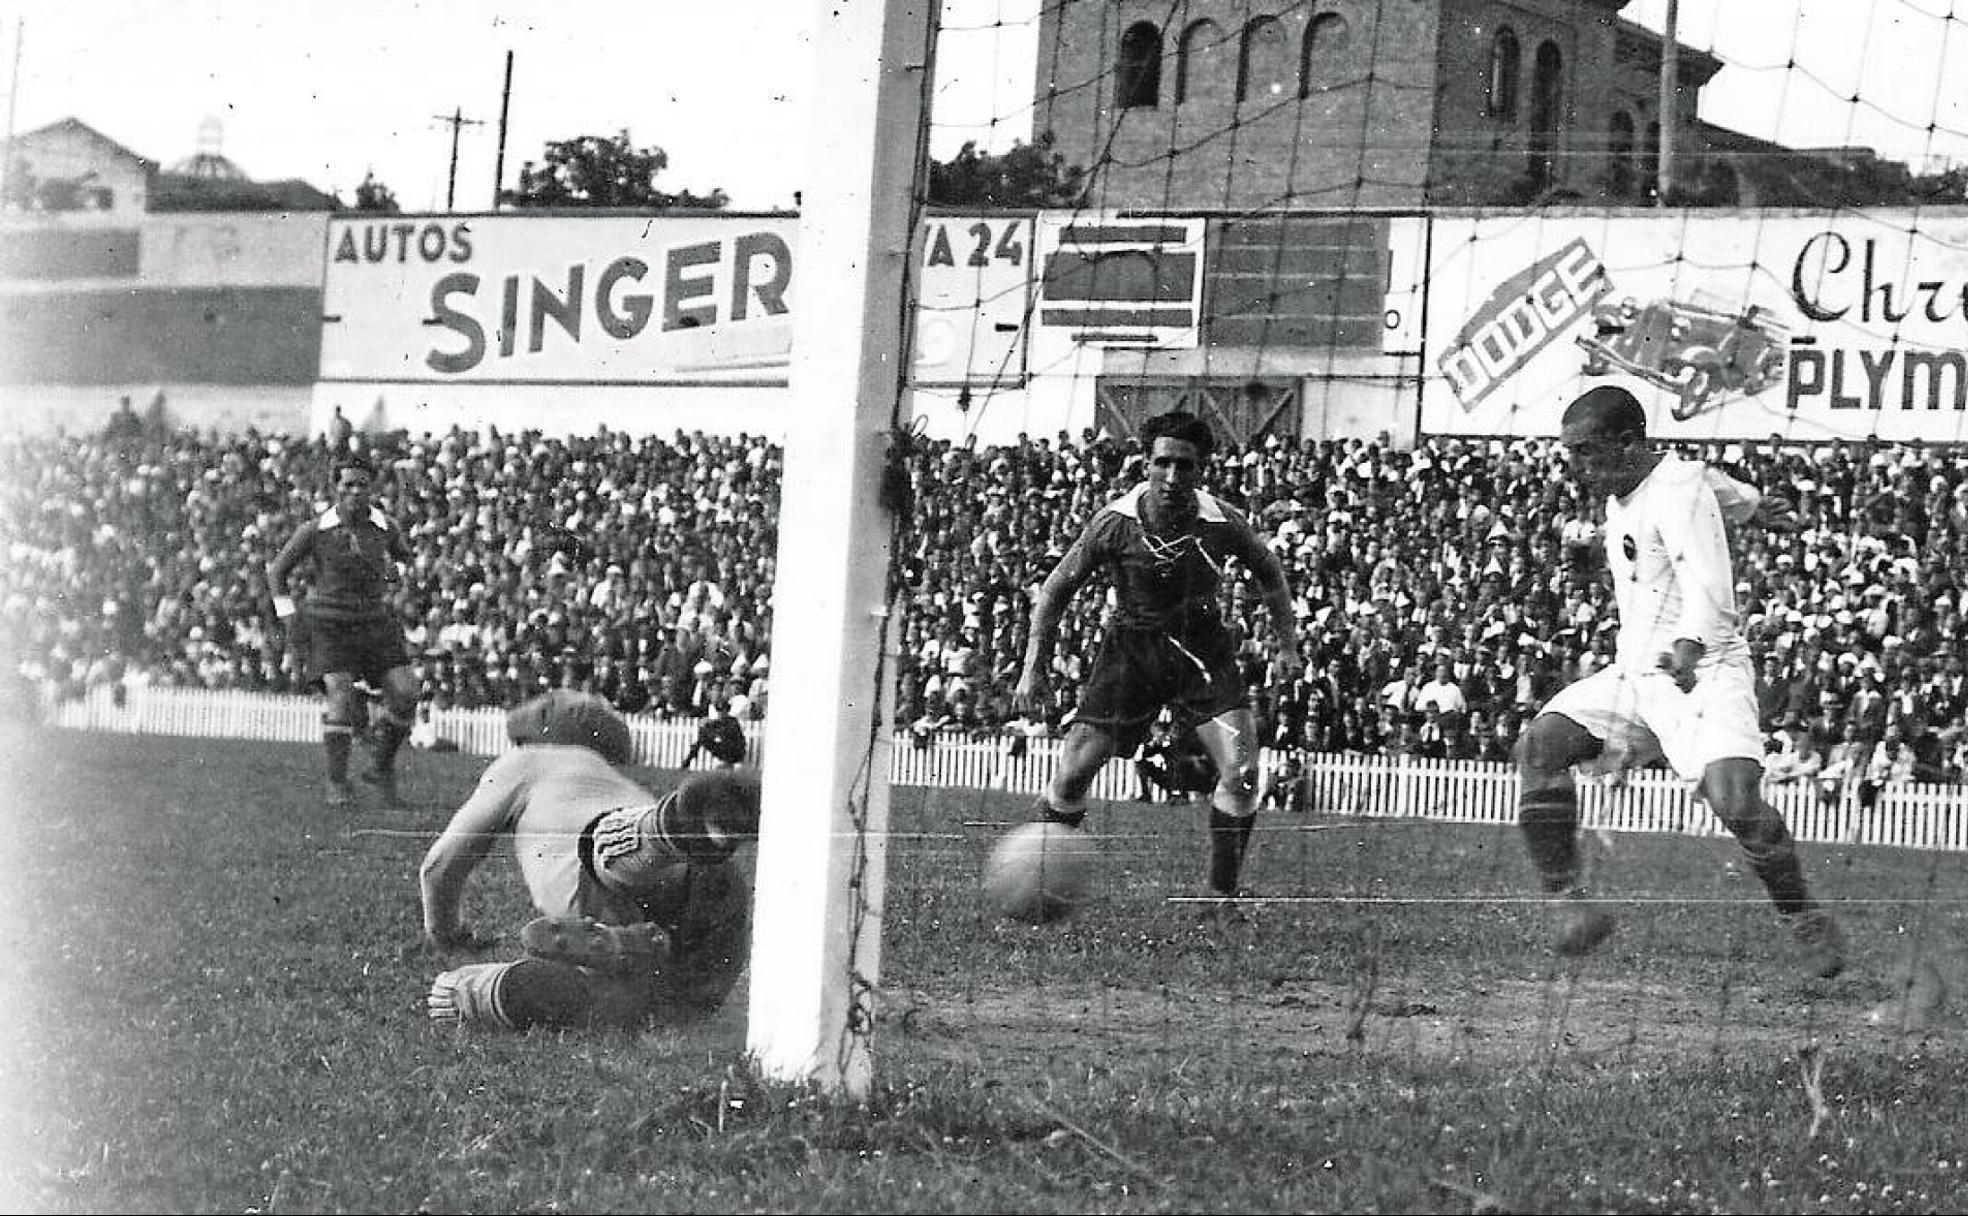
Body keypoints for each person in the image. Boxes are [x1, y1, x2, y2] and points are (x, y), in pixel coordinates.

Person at [1514, 384, 1845, 977]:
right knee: (1540, 745)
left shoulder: (1675, 491)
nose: (1576, 467)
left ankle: (1803, 916)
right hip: (1636, 676)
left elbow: (1709, 583)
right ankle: (1571, 905)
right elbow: (1708, 479)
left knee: (1735, 802)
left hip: (1705, 669)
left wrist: (1690, 644)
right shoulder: (1646, 484)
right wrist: (1750, 503)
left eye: (1585, 452)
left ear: (1627, 442)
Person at [1011, 410, 1304, 907]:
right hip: (1131, 653)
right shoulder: (1115, 523)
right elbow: (1057, 588)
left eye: (1184, 466)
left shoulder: (1222, 522)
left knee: (1244, 772)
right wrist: (1032, 667)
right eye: (1162, 463)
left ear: (1201, 469)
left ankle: (1220, 897)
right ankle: (1037, 883)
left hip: (1202, 654)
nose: (1172, 477)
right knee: (1074, 774)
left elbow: (1269, 573)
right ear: (1144, 463)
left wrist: (1287, 644)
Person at [419, 690, 759, 1031]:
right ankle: (662, 854)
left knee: (453, 993)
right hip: (712, 881)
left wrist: (446, 933)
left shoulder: (527, 760)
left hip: (603, 882)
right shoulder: (618, 782)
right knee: (680, 1005)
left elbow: (440, 866)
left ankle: (660, 847)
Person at [266, 451, 420, 808]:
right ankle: (337, 783)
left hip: (374, 622)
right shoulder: (315, 530)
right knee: (341, 694)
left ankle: (380, 766)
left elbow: (404, 558)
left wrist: (399, 576)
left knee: (406, 691)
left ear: (372, 489)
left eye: (362, 485)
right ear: (335, 488)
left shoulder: (386, 527)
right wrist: (288, 615)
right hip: (329, 623)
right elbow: (277, 573)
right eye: (347, 485)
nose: (355, 492)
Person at [683, 703, 748, 769]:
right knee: (703, 738)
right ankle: (687, 761)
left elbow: (725, 734)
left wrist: (710, 728)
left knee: (704, 737)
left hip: (735, 751)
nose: (720, 713)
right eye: (718, 711)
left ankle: (687, 761)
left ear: (727, 711)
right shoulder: (717, 722)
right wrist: (704, 727)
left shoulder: (732, 722)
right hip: (725, 749)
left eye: (722, 710)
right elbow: (712, 734)